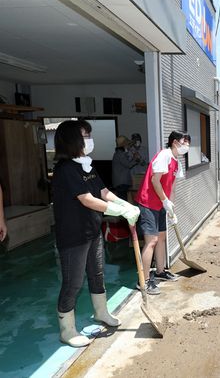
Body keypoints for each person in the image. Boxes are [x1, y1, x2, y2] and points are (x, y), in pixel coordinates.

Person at [52, 120, 140, 347]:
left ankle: (101, 312)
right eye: (85, 134)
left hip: (92, 231)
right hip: (73, 236)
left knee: (97, 274)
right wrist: (118, 211)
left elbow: (103, 192)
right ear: (72, 139)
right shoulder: (65, 169)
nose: (89, 138)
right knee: (73, 282)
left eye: (89, 134)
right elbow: (87, 199)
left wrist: (126, 204)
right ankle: (67, 329)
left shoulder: (87, 166)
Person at [135, 131, 191, 294]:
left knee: (161, 238)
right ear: (174, 142)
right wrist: (164, 200)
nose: (186, 144)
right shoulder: (164, 156)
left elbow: (172, 186)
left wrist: (170, 207)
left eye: (188, 141)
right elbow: (154, 180)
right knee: (151, 240)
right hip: (148, 203)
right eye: (184, 141)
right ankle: (143, 281)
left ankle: (160, 272)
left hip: (160, 204)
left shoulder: (177, 162)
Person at [112, 135, 139, 200]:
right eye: (127, 144)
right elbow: (128, 165)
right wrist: (135, 159)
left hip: (121, 182)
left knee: (123, 199)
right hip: (121, 182)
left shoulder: (120, 153)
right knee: (123, 200)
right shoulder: (120, 154)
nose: (128, 145)